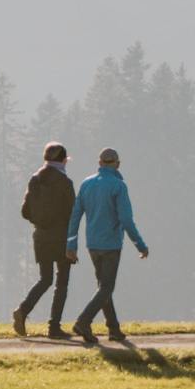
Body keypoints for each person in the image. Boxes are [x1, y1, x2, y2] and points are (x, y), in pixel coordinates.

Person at [65, 147, 150, 344]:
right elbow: (126, 219)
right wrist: (140, 244)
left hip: (92, 244)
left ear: (100, 163)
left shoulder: (87, 184)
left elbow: (76, 215)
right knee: (106, 287)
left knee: (103, 287)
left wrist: (71, 244)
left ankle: (113, 329)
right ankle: (83, 321)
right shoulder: (118, 186)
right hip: (111, 244)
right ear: (117, 164)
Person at [12, 142, 77, 339]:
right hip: (61, 237)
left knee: (45, 279)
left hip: (40, 237)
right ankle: (54, 327)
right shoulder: (65, 183)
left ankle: (23, 310)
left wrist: (40, 222)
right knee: (62, 282)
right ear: (64, 160)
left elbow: (25, 212)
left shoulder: (35, 179)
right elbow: (72, 215)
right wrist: (72, 242)